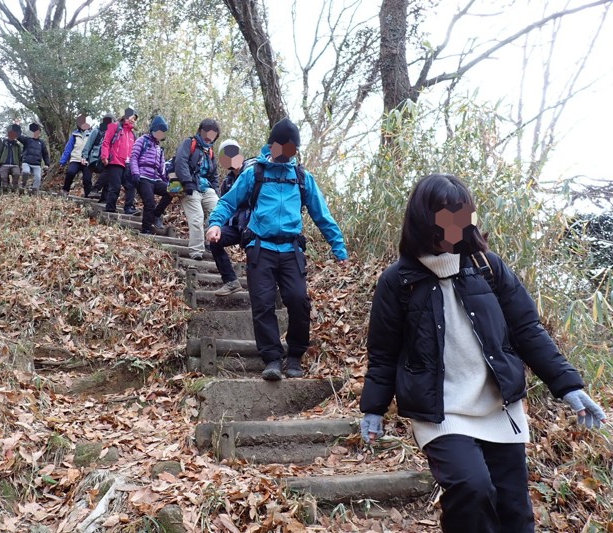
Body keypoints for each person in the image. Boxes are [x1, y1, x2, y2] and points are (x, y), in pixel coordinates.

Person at [358, 174, 607, 533]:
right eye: (448, 216)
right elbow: (383, 353)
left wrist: (568, 387)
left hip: (498, 406)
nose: (459, 225)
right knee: (470, 488)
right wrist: (373, 409)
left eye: (464, 216)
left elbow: (527, 330)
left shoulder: (488, 267)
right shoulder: (397, 282)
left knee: (514, 514)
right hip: (439, 410)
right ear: (425, 220)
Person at [207, 118, 348, 380]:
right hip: (260, 248)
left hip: (291, 249)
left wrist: (339, 248)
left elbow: (322, 215)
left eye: (292, 149)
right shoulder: (254, 173)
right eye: (283, 147)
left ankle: (294, 355)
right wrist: (215, 224)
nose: (287, 154)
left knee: (297, 301)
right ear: (272, 145)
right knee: (262, 304)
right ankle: (272, 358)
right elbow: (228, 202)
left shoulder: (302, 177)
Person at [176, 118, 221, 260]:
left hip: (206, 187)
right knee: (197, 218)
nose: (210, 137)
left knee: (217, 213)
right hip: (190, 186)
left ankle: (210, 243)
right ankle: (196, 251)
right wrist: (187, 182)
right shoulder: (189, 143)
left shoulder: (210, 152)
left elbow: (214, 174)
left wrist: (216, 191)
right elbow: (180, 161)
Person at [209, 139, 249, 296]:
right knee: (214, 240)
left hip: (254, 225)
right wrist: (217, 225)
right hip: (236, 226)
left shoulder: (253, 172)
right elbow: (225, 205)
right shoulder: (227, 182)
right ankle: (231, 281)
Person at [130, 115, 172, 235]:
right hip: (142, 176)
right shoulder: (142, 140)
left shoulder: (159, 148)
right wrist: (135, 173)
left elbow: (161, 168)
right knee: (150, 203)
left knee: (170, 191)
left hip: (155, 178)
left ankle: (156, 215)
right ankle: (146, 230)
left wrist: (168, 181)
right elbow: (134, 157)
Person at [101, 108, 139, 214]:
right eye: (131, 117)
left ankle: (129, 208)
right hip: (115, 161)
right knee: (115, 186)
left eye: (134, 119)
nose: (132, 120)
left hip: (128, 164)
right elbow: (106, 142)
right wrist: (104, 156)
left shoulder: (132, 134)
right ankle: (110, 208)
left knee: (131, 186)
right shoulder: (115, 126)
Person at [82, 113, 115, 198]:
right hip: (94, 158)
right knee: (87, 178)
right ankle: (90, 192)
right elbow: (88, 144)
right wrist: (84, 157)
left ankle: (103, 198)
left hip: (106, 158)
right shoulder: (97, 131)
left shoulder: (113, 134)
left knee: (108, 176)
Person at [60, 114, 92, 196]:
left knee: (87, 179)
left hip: (87, 160)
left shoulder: (91, 135)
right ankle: (65, 190)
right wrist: (63, 161)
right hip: (75, 159)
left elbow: (94, 148)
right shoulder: (74, 135)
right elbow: (68, 149)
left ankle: (88, 195)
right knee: (70, 172)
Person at [21, 123, 50, 194]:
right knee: (26, 172)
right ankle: (23, 185)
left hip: (36, 164)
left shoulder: (41, 143)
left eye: (38, 132)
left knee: (38, 177)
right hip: (26, 162)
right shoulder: (27, 140)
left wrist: (47, 164)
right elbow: (19, 137)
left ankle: (34, 191)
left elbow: (45, 154)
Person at [0, 126, 24, 193]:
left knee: (16, 174)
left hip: (15, 164)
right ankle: (5, 189)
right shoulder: (3, 143)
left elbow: (20, 156)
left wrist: (20, 165)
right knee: (3, 176)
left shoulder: (17, 145)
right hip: (4, 163)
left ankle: (14, 188)